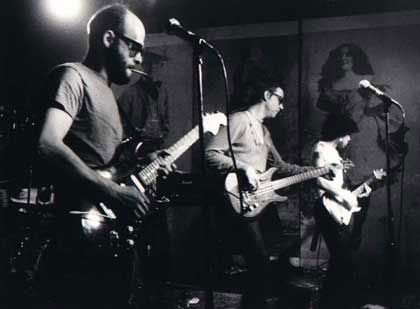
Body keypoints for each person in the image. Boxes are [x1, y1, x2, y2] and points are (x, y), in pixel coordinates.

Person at [37, 4, 173, 308]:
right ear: (109, 38)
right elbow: (47, 143)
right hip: (76, 240)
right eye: (134, 47)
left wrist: (149, 163)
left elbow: (106, 163)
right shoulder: (72, 76)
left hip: (106, 240)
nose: (140, 58)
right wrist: (112, 192)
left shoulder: (110, 95)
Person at [205, 72, 336, 308]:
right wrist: (244, 167)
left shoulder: (264, 131)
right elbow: (211, 154)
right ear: (267, 95)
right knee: (260, 263)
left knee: (271, 265)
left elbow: (282, 167)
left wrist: (319, 170)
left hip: (261, 202)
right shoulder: (238, 120)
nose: (282, 106)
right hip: (237, 201)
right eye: (280, 99)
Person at [312, 113, 375, 309]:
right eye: (348, 136)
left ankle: (332, 304)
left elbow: (338, 184)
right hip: (325, 208)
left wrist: (356, 193)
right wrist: (345, 195)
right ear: (340, 134)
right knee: (343, 260)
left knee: (341, 262)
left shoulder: (334, 153)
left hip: (335, 207)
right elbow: (318, 179)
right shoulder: (320, 149)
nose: (349, 140)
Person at [316, 43, 403, 185]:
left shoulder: (368, 79)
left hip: (366, 133)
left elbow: (379, 107)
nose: (344, 58)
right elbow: (324, 107)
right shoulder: (330, 85)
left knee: (367, 179)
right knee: (345, 177)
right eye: (341, 55)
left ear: (355, 57)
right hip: (344, 134)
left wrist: (368, 105)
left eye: (348, 54)